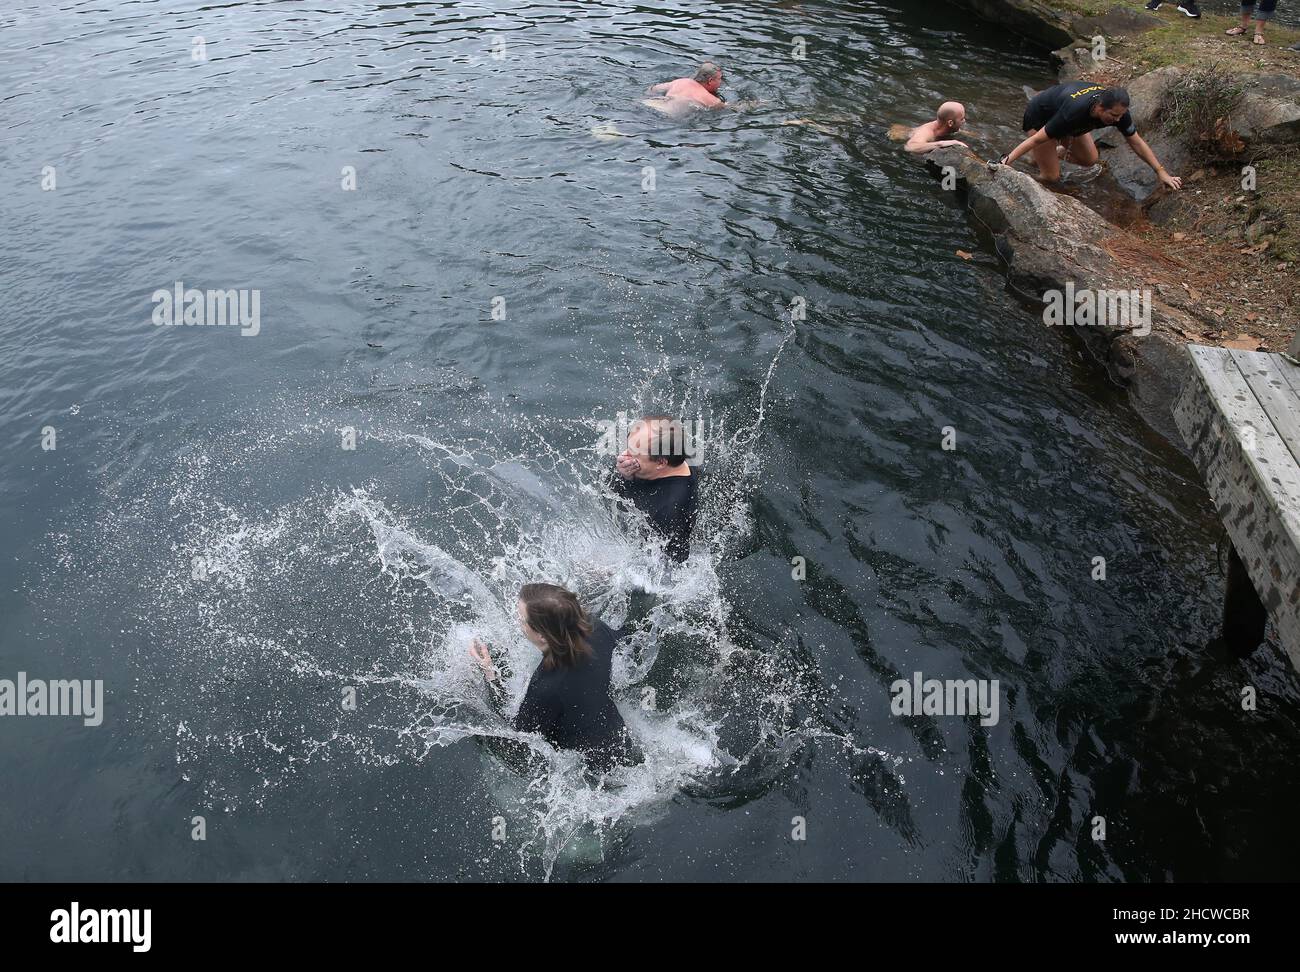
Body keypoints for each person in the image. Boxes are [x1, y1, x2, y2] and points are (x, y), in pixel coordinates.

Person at [470, 583, 639, 774]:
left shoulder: (546, 688)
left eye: (522, 619)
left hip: (598, 775)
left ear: (542, 635)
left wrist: (490, 674)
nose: (518, 622)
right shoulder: (596, 629)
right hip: (624, 744)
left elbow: (519, 740)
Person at [997, 82, 1183, 191]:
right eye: (1113, 116)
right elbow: (1037, 139)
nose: (1118, 120)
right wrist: (1006, 162)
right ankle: (1028, 174)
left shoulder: (1118, 112)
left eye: (1120, 115)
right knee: (1051, 177)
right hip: (1041, 115)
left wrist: (1161, 171)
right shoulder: (1074, 112)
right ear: (1100, 108)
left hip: (1069, 118)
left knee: (1090, 159)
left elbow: (1136, 142)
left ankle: (1041, 157)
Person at [610, 415, 699, 563]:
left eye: (634, 453)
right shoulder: (678, 454)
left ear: (661, 462)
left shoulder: (669, 512)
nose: (624, 456)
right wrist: (627, 477)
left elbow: (668, 570)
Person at [644, 61, 727, 116]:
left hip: (651, 104)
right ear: (710, 81)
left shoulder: (682, 81)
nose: (721, 82)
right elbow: (731, 109)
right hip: (668, 115)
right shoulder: (711, 100)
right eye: (719, 79)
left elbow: (652, 89)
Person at [904, 101, 969, 154]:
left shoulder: (949, 127)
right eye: (962, 119)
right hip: (900, 133)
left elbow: (964, 132)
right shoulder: (926, 131)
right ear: (950, 123)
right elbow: (910, 147)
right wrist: (941, 144)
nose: (964, 121)